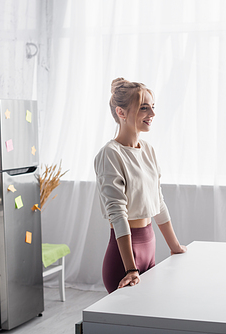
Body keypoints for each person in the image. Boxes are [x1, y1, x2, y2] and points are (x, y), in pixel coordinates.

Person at [94, 78, 187, 293]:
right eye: (144, 108)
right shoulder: (110, 154)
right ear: (121, 112)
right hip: (124, 259)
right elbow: (117, 214)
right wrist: (130, 269)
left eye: (153, 107)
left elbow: (158, 201)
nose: (152, 114)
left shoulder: (148, 150)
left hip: (149, 247)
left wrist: (175, 247)